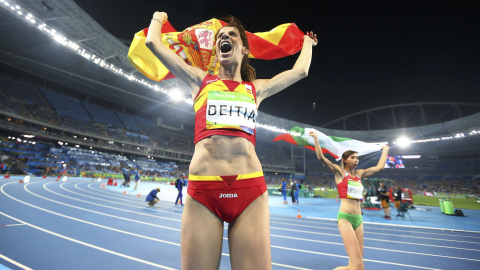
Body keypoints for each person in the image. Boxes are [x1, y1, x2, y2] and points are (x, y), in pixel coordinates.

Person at [146, 12, 316, 269]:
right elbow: (153, 44)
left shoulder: (256, 89)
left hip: (250, 190)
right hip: (204, 190)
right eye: (220, 37)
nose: (224, 37)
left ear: (244, 49)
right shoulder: (199, 80)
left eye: (231, 35)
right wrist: (158, 18)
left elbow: (300, 71)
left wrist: (307, 44)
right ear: (216, 51)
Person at [309, 131, 389, 270]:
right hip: (345, 218)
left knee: (354, 265)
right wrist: (316, 139)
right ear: (345, 160)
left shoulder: (359, 174)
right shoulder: (340, 173)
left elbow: (380, 167)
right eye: (353, 157)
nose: (356, 160)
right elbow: (321, 158)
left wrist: (385, 150)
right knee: (359, 266)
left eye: (357, 157)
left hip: (358, 219)